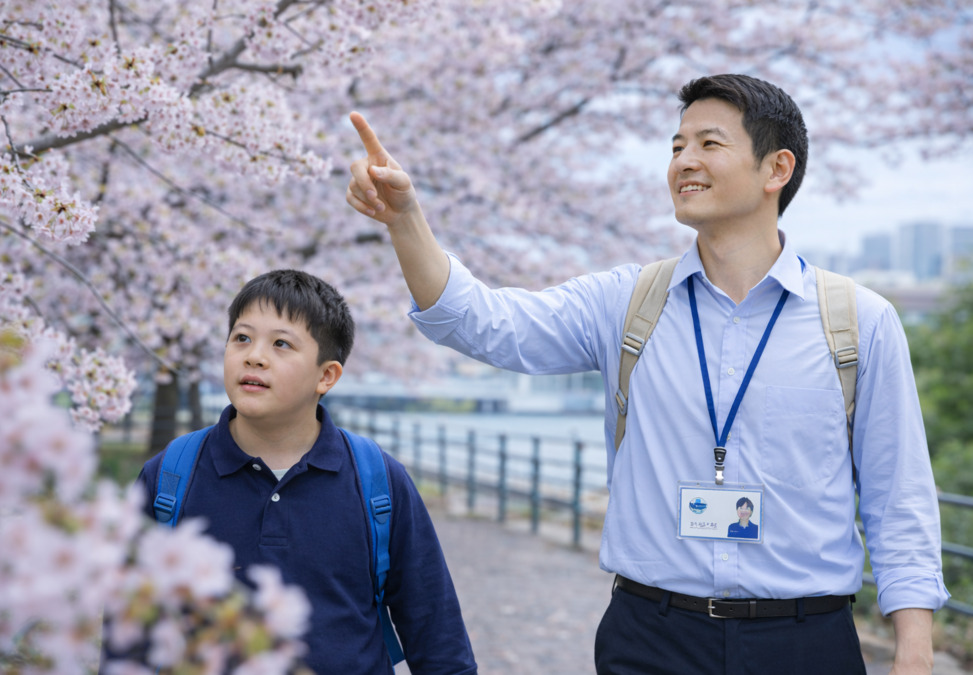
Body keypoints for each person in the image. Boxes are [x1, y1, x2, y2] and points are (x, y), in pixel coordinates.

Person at [345, 73, 948, 674]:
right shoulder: (627, 303)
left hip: (805, 642)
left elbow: (900, 499)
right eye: (677, 146)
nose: (685, 160)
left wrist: (914, 654)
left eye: (709, 144)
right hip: (651, 638)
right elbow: (482, 322)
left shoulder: (858, 323)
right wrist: (406, 222)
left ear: (776, 169)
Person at [132, 270, 477, 674]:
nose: (254, 356)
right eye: (241, 338)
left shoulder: (378, 480)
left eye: (281, 344)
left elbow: (436, 636)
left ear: (326, 376)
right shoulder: (170, 476)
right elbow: (132, 631)